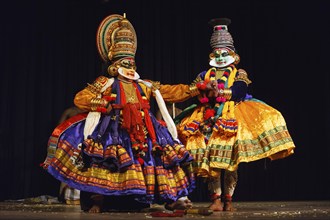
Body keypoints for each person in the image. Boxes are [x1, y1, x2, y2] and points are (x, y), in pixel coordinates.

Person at [42, 13, 202, 213]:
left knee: (157, 160)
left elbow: (170, 91)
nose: (128, 67)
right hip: (114, 129)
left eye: (131, 64)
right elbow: (80, 98)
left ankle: (168, 199)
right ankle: (98, 201)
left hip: (145, 131)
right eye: (124, 64)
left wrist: (195, 89)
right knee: (106, 163)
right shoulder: (106, 83)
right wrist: (101, 103)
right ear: (114, 65)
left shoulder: (144, 85)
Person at [175, 18, 296, 211]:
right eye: (217, 53)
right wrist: (204, 89)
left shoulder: (239, 72)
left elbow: (239, 90)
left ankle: (229, 201)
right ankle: (215, 200)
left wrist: (220, 92)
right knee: (212, 159)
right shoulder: (204, 74)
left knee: (231, 162)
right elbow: (193, 92)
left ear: (233, 54)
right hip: (207, 116)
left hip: (232, 114)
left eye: (225, 53)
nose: (221, 57)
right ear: (211, 55)